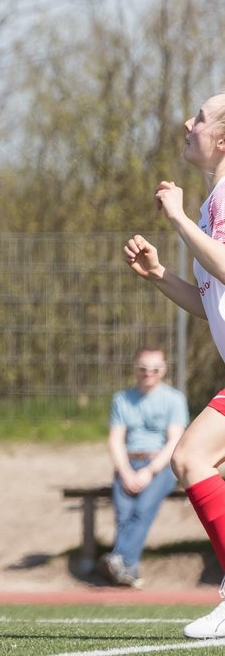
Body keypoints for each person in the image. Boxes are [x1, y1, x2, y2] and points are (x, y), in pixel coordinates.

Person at [125, 93, 225, 638]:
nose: (188, 124)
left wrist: (180, 218)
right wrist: (160, 276)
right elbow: (211, 295)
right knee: (189, 460)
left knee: (189, 458)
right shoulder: (215, 203)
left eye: (201, 119)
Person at [100, 347, 188, 588]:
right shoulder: (122, 399)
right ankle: (129, 571)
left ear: (164, 370)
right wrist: (126, 471)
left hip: (162, 465)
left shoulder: (174, 399)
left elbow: (174, 442)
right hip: (129, 463)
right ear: (135, 369)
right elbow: (115, 440)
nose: (149, 373)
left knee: (143, 509)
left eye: (155, 369)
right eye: (143, 369)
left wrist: (149, 471)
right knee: (124, 514)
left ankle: (119, 559)